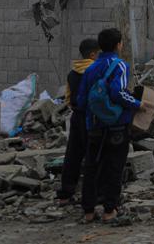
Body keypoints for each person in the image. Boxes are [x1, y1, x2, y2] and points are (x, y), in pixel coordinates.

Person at [76, 28, 142, 223]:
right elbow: (117, 93)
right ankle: (109, 210)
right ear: (118, 45)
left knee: (92, 166)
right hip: (116, 127)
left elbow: (81, 100)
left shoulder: (90, 68)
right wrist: (138, 104)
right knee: (114, 168)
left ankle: (88, 211)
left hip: (94, 126)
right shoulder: (119, 65)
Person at [56, 38, 100, 205]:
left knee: (73, 154)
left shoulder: (72, 73)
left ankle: (65, 193)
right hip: (92, 117)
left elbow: (68, 98)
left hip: (76, 116)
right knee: (93, 156)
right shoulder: (96, 71)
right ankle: (93, 195)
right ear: (93, 54)